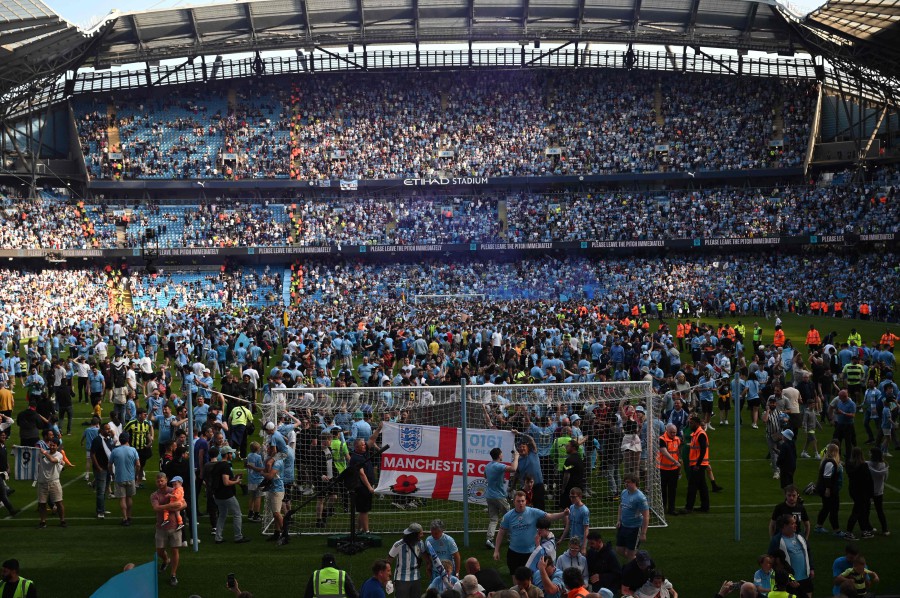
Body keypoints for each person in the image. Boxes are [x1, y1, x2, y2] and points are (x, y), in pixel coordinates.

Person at [494, 491, 569, 574]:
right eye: (518, 501)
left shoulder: (533, 512)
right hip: (514, 552)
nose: (521, 503)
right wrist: (496, 550)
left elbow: (549, 516)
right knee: (515, 575)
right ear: (514, 502)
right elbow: (501, 532)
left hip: (530, 552)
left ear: (526, 501)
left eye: (523, 501)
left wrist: (563, 514)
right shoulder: (508, 516)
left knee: (530, 577)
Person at [151, 472, 185, 588]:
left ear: (166, 480)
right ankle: (166, 560)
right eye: (158, 481)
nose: (160, 483)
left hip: (175, 526)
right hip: (161, 527)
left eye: (162, 480)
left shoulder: (174, 489)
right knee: (159, 550)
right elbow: (156, 508)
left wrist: (175, 506)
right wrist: (172, 506)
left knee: (175, 550)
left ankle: (173, 574)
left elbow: (184, 504)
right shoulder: (154, 495)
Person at [768, 514, 814, 598]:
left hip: (805, 577)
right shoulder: (776, 541)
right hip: (789, 581)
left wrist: (811, 568)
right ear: (784, 526)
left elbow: (808, 552)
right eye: (792, 523)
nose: (795, 525)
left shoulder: (800, 536)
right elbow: (771, 559)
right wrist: (783, 576)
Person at [213, 445, 250, 544]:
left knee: (222, 515)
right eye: (231, 453)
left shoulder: (217, 465)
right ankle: (238, 536)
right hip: (226, 495)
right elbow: (226, 482)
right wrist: (236, 482)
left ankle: (218, 537)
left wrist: (233, 480)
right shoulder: (225, 466)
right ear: (227, 454)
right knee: (237, 514)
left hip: (217, 494)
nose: (232, 455)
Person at [485, 447, 518, 550]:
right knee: (509, 516)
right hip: (499, 496)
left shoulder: (488, 465)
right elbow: (513, 469)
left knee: (494, 519)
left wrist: (498, 479)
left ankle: (489, 539)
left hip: (489, 496)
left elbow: (486, 476)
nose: (502, 455)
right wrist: (516, 457)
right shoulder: (498, 466)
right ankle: (510, 538)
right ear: (499, 455)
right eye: (502, 453)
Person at [680, 414, 710, 514]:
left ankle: (689, 507)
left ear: (697, 424)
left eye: (692, 423)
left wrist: (697, 464)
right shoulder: (696, 433)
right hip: (699, 464)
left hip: (698, 465)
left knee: (692, 486)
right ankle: (705, 506)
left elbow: (703, 450)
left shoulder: (700, 434)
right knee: (702, 486)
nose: (690, 425)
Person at [843, 446, 874, 540]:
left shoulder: (850, 465)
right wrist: (871, 494)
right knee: (857, 512)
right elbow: (869, 481)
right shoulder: (863, 466)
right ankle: (849, 532)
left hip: (854, 491)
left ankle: (863, 530)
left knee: (859, 511)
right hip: (862, 492)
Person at [616, 474, 649, 560]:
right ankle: (638, 561)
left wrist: (643, 533)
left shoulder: (640, 498)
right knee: (619, 550)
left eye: (628, 482)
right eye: (625, 482)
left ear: (635, 483)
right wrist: (619, 520)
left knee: (631, 554)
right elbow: (621, 506)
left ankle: (636, 567)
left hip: (634, 529)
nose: (626, 484)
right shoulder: (624, 492)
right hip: (623, 526)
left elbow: (646, 516)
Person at [109, 432, 140, 526]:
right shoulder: (133, 450)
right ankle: (129, 516)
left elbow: (109, 465)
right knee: (129, 497)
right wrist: (136, 475)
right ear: (128, 440)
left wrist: (112, 474)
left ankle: (124, 518)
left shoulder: (115, 451)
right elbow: (138, 464)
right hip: (130, 477)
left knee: (122, 498)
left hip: (119, 477)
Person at [813, 443, 844, 536]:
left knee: (826, 508)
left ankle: (818, 526)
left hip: (828, 489)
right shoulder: (830, 462)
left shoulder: (828, 461)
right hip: (829, 490)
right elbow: (827, 476)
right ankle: (836, 530)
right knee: (834, 509)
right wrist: (828, 489)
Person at [389, 523, 426, 598]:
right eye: (420, 534)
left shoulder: (420, 543)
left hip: (416, 577)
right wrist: (388, 578)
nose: (422, 535)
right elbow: (389, 560)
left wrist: (429, 565)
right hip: (401, 578)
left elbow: (425, 556)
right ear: (414, 535)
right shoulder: (398, 545)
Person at [36, 437, 66, 528]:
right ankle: (43, 522)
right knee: (42, 503)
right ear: (49, 444)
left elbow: (53, 460)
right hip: (42, 482)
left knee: (59, 502)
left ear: (57, 446)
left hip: (54, 481)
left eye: (54, 445)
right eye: (51, 445)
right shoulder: (43, 453)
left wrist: (44, 452)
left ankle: (62, 521)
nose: (52, 447)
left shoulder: (59, 455)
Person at [262, 442, 287, 544]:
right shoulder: (275, 460)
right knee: (275, 513)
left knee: (277, 513)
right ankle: (277, 533)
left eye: (270, 448)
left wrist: (263, 473)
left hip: (277, 490)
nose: (268, 449)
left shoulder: (277, 462)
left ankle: (285, 534)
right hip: (274, 489)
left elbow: (270, 476)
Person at [657, 423, 681, 516]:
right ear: (666, 431)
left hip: (674, 469)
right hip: (663, 469)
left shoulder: (678, 439)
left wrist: (679, 463)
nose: (673, 434)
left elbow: (678, 452)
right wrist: (675, 461)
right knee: (663, 489)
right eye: (671, 432)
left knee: (672, 490)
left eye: (675, 432)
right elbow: (664, 452)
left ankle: (671, 509)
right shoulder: (662, 439)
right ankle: (662, 508)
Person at [867, 447, 889, 536]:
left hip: (869, 491)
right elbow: (886, 478)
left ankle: (868, 527)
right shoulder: (884, 465)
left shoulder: (867, 464)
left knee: (866, 511)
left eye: (870, 453)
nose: (868, 454)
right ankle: (885, 529)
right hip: (879, 491)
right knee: (880, 511)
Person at [0, 428, 17, 517]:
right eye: (2, 435)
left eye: (4, 435)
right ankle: (12, 510)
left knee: (2, 493)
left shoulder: (4, 446)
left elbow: (4, 459)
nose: (4, 436)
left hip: (2, 473)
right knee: (3, 493)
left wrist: (8, 468)